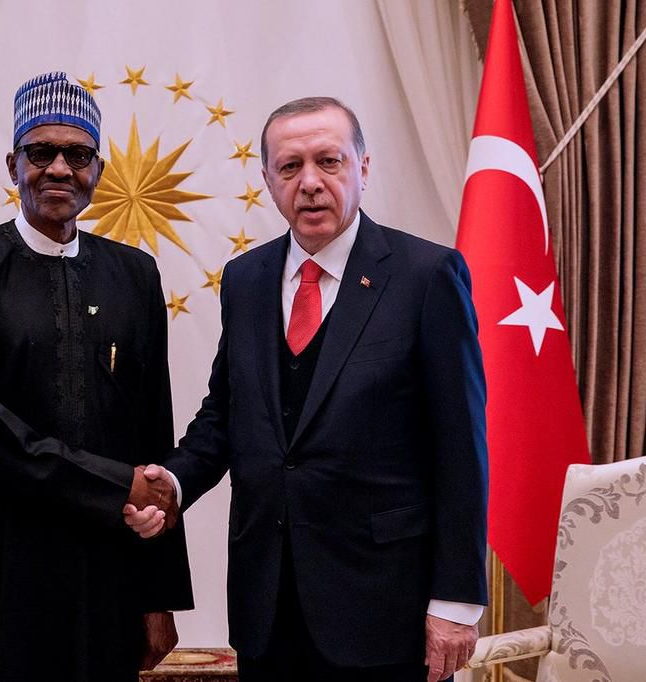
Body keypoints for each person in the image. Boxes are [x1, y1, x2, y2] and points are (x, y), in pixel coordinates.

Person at [126, 97, 488, 682]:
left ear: (363, 168)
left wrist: (455, 604)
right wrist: (172, 481)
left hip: (385, 610)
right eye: (290, 167)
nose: (311, 183)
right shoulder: (246, 280)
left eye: (329, 162)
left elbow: (462, 450)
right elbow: (226, 414)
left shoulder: (427, 276)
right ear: (268, 179)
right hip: (267, 607)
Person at [0, 71, 193, 682]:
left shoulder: (134, 276)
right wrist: (117, 483)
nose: (59, 169)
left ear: (99, 169)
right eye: (40, 151)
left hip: (109, 571)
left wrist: (159, 594)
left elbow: (155, 434)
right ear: (13, 161)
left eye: (78, 154)